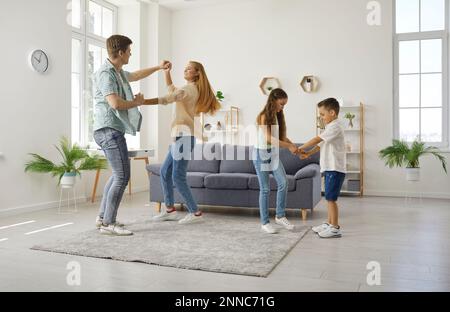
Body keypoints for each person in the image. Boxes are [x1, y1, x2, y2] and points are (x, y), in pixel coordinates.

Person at [93, 34, 169, 235]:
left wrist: (159, 67)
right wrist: (136, 103)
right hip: (108, 130)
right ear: (120, 52)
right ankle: (109, 223)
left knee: (117, 175)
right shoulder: (106, 74)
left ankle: (103, 218)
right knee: (122, 176)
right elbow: (115, 103)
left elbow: (135, 75)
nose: (131, 54)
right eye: (129, 51)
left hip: (112, 129)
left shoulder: (117, 71)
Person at [150, 61, 220, 224]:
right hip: (181, 136)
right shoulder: (187, 89)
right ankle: (169, 209)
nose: (185, 70)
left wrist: (142, 101)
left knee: (177, 176)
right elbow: (172, 90)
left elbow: (168, 97)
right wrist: (166, 72)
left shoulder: (189, 89)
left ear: (197, 73)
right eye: (185, 68)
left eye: (189, 69)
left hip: (184, 137)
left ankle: (195, 212)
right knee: (165, 171)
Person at [299, 98, 346, 238]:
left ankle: (335, 227)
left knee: (331, 199)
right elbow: (321, 145)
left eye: (322, 114)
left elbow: (317, 140)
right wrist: (308, 153)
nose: (321, 117)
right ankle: (329, 223)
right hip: (329, 168)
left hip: (335, 168)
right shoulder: (330, 127)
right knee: (328, 197)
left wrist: (300, 147)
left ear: (332, 112)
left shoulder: (335, 126)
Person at [253, 88, 298, 234]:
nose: (282, 108)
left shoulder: (278, 117)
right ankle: (265, 222)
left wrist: (297, 149)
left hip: (272, 154)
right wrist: (289, 147)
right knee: (265, 189)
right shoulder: (263, 116)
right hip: (261, 154)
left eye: (284, 105)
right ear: (273, 101)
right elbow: (269, 139)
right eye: (281, 104)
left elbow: (282, 138)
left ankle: (280, 216)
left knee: (283, 182)